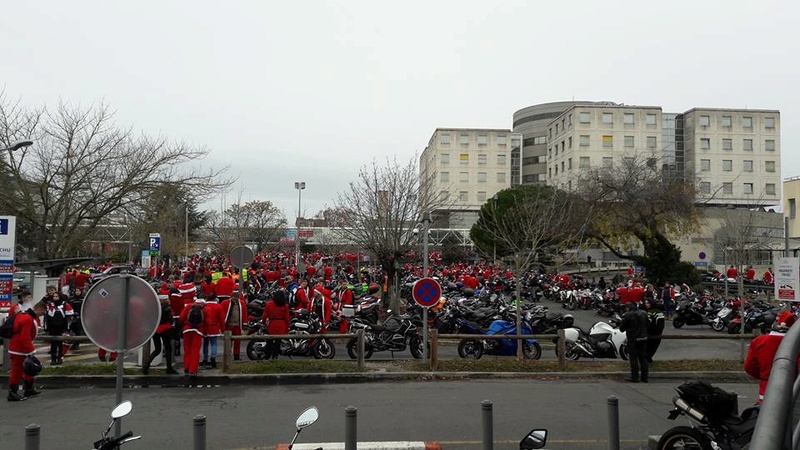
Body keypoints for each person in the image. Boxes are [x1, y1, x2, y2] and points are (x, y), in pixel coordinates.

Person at [744, 311, 798, 404]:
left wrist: (764, 376)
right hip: (792, 390)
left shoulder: (759, 341)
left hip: (766, 389)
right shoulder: (796, 344)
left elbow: (750, 367)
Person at [7, 301, 46, 401]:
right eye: (43, 312)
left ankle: (28, 389)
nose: (42, 315)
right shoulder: (28, 319)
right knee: (17, 371)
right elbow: (25, 337)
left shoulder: (24, 316)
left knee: (28, 368)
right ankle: (13, 392)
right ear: (39, 309)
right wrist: (31, 351)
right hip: (19, 350)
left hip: (19, 348)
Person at [141, 297, 178, 375]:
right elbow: (170, 320)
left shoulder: (155, 308)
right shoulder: (167, 309)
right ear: (163, 301)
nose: (169, 300)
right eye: (167, 299)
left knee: (157, 349)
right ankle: (169, 368)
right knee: (168, 348)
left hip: (156, 330)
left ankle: (146, 365)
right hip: (165, 330)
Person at [619, 302, 649, 383]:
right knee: (643, 358)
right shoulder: (644, 313)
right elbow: (648, 324)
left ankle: (635, 377)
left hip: (633, 339)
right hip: (643, 338)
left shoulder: (627, 315)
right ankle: (645, 377)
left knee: (633, 358)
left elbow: (621, 329)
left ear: (627, 308)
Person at [179, 298, 206, 387]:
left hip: (187, 330)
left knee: (187, 350)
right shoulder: (204, 308)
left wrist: (185, 324)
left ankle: (186, 367)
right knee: (195, 351)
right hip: (198, 331)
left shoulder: (189, 307)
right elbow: (207, 321)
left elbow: (181, 318)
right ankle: (193, 370)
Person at [43, 289, 74, 365]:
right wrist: (46, 328)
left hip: (62, 327)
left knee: (60, 344)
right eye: (54, 296)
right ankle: (53, 359)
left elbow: (69, 317)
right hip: (52, 328)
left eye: (56, 296)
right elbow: (46, 317)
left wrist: (67, 329)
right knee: (53, 344)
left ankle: (59, 358)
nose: (55, 297)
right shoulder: (49, 305)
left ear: (60, 297)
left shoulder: (65, 305)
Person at [262, 290, 290, 360]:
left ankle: (267, 355)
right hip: (281, 324)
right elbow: (287, 318)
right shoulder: (285, 306)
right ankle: (275, 356)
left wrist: (264, 323)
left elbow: (264, 316)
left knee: (269, 341)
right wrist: (287, 327)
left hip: (272, 323)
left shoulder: (269, 304)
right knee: (278, 341)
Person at [220, 292, 248, 361]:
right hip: (229, 325)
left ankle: (236, 356)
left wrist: (244, 324)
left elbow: (244, 314)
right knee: (228, 342)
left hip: (237, 325)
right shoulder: (225, 303)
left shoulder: (241, 303)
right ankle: (227, 356)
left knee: (237, 342)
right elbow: (222, 313)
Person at [201, 294, 224, 368]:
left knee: (205, 343)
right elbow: (221, 319)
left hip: (205, 327)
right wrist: (223, 329)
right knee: (214, 343)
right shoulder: (218, 307)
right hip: (214, 327)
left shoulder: (204, 307)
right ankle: (213, 357)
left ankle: (205, 358)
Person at [644, 299, 665, 363]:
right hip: (658, 334)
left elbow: (646, 323)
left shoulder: (649, 313)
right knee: (653, 348)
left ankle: (647, 360)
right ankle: (648, 359)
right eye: (646, 303)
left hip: (650, 334)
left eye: (648, 303)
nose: (646, 305)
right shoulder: (660, 313)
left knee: (648, 348)